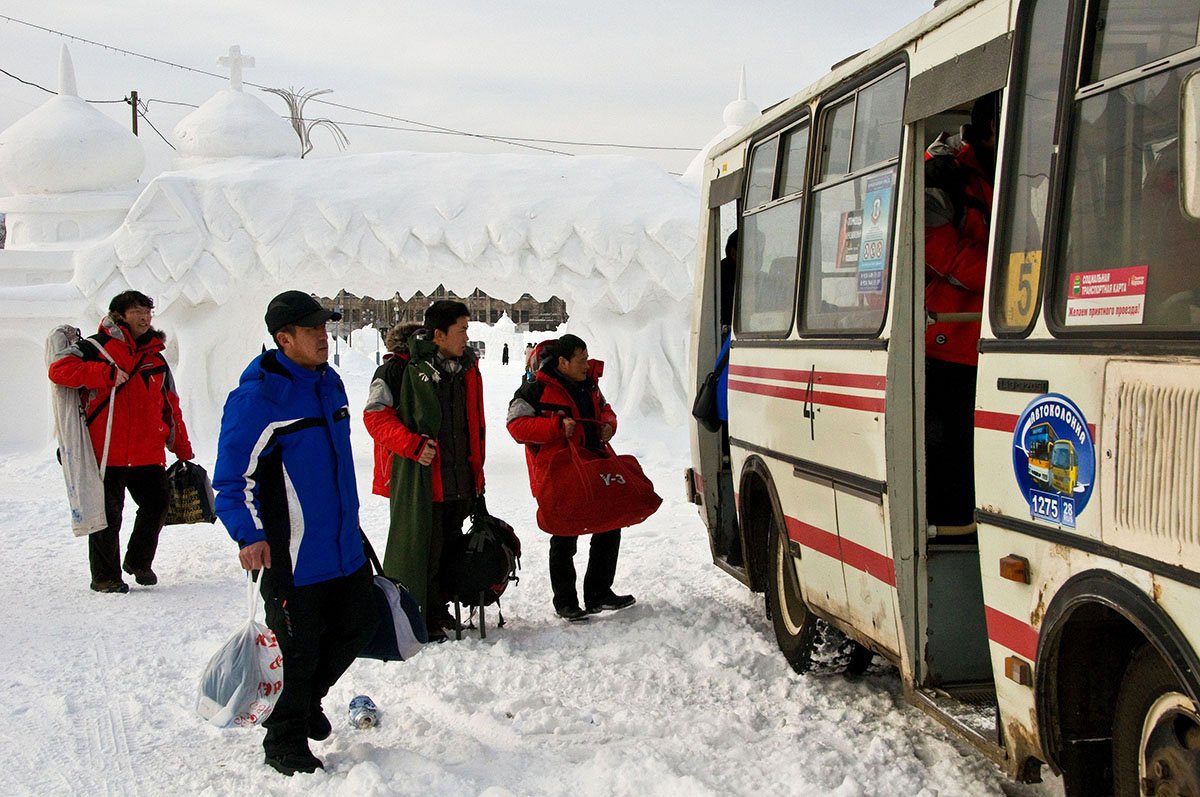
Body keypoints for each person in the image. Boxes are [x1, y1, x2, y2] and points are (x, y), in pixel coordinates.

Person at [213, 290, 377, 776]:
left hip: (343, 544)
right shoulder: (257, 399)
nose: (324, 337)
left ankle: (305, 703)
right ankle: (284, 741)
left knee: (358, 624)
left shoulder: (330, 383)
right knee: (296, 651)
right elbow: (232, 481)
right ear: (284, 339)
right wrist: (249, 536)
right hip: (292, 555)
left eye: (324, 327)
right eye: (312, 330)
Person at [48, 290, 194, 593]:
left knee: (158, 504)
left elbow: (170, 406)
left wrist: (181, 446)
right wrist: (104, 374)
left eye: (148, 312)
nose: (145, 317)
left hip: (147, 451)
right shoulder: (94, 349)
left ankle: (138, 562)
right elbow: (58, 370)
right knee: (107, 516)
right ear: (119, 316)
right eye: (138, 311)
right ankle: (106, 578)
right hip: (104, 451)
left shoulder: (155, 358)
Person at [363, 300, 485, 641]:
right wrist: (411, 445)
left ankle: (436, 608)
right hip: (420, 481)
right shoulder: (398, 368)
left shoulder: (466, 367)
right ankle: (416, 614)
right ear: (438, 334)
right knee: (420, 551)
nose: (466, 337)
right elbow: (375, 417)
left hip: (458, 479)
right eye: (461, 330)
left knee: (447, 550)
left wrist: (475, 475)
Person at [506, 334, 635, 621]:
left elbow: (606, 410)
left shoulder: (590, 385)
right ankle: (565, 602)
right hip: (558, 474)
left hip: (593, 467)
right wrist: (555, 428)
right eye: (581, 361)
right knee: (564, 535)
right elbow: (516, 426)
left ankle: (599, 593)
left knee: (610, 524)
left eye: (587, 359)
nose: (586, 365)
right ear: (562, 362)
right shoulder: (534, 390)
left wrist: (608, 425)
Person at [924, 93, 997, 529]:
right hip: (948, 341)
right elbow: (941, 253)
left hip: (999, 336)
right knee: (953, 458)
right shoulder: (944, 174)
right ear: (992, 128)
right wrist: (1010, 275)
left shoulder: (1012, 171)